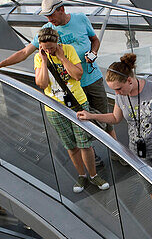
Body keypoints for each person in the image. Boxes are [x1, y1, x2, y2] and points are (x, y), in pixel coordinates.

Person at [78, 52, 152, 239]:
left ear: (130, 81)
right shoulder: (120, 96)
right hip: (138, 153)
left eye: (119, 88)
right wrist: (92, 116)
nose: (118, 93)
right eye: (114, 90)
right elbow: (116, 118)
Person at [0, 0, 112, 132]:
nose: (49, 19)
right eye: (47, 16)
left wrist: (93, 53)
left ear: (61, 9)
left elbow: (95, 40)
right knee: (82, 129)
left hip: (92, 80)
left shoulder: (81, 19)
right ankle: (92, 153)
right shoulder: (47, 31)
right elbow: (24, 52)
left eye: (51, 15)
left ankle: (114, 153)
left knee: (105, 122)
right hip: (71, 87)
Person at [33, 26, 110, 194]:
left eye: (52, 48)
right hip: (55, 108)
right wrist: (44, 61)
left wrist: (61, 56)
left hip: (77, 104)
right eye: (45, 49)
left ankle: (93, 175)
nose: (49, 51)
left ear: (57, 43)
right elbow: (42, 84)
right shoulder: (39, 58)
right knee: (71, 145)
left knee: (85, 143)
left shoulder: (68, 50)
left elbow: (77, 75)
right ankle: (82, 175)